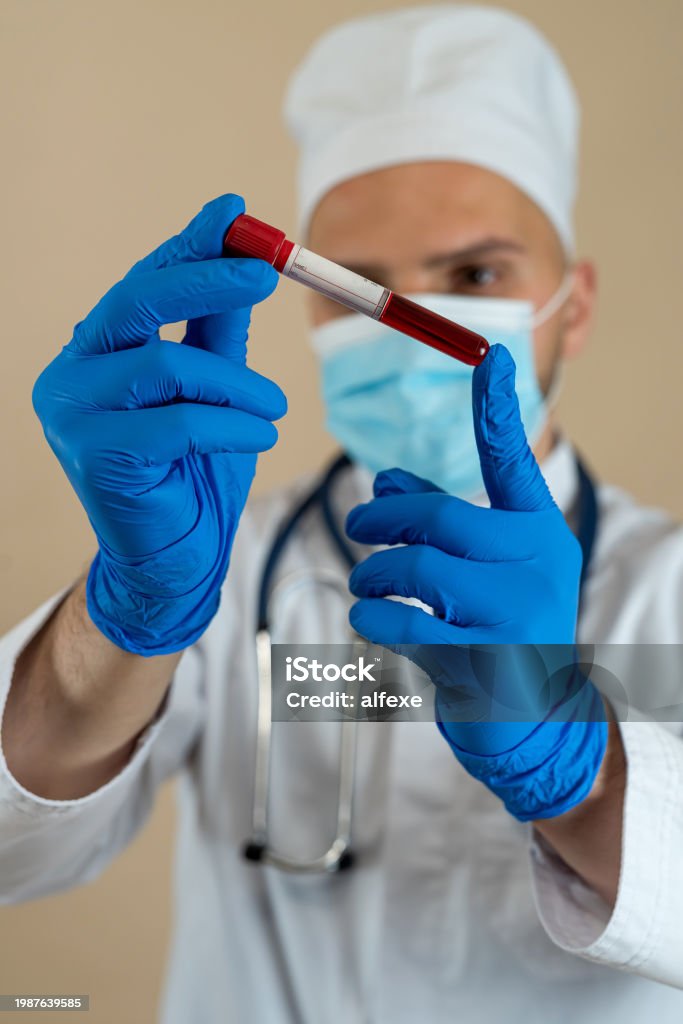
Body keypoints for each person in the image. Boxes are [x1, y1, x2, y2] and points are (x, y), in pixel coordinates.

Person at [1, 6, 683, 1022]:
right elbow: (12, 849)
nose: (414, 325)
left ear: (573, 305)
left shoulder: (666, 586)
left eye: (474, 274)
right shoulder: (228, 565)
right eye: (359, 285)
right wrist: (132, 611)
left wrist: (579, 769)